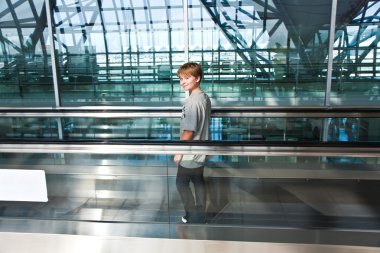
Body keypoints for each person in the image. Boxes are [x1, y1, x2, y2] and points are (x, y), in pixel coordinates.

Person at [174, 62, 211, 224]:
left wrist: (179, 152)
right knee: (198, 181)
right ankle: (200, 214)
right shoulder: (204, 97)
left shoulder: (192, 102)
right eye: (181, 79)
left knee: (181, 183)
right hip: (202, 149)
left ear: (198, 78)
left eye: (187, 78)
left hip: (190, 152)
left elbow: (189, 131)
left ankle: (191, 214)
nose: (183, 82)